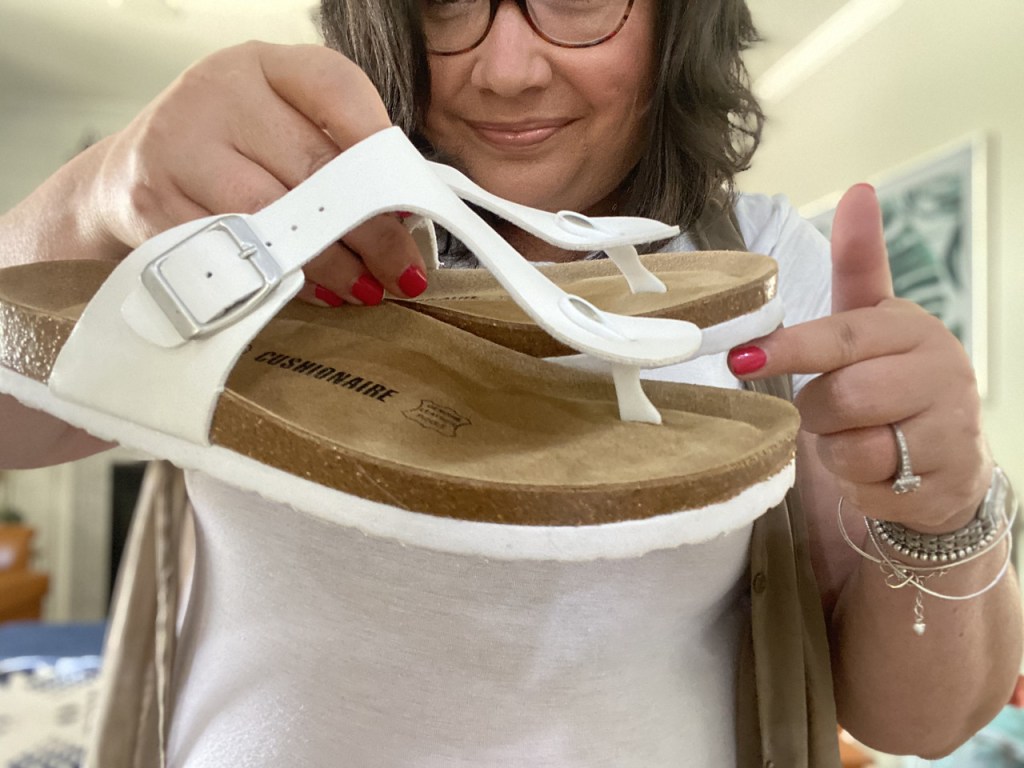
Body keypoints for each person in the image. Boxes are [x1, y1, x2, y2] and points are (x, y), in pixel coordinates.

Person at [0, 0, 1020, 765]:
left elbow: (918, 724)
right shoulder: (265, 217)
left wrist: (940, 499)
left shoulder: (765, 265)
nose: (506, 68)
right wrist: (97, 196)